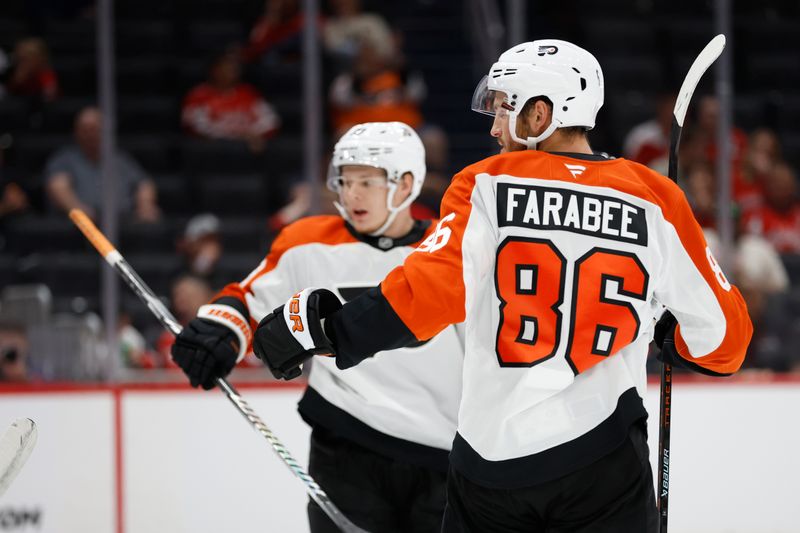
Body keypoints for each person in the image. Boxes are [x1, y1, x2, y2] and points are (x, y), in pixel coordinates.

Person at [253, 40, 754, 532]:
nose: (494, 128)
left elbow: (426, 295)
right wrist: (672, 337)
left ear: (540, 115)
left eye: (503, 110)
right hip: (607, 459)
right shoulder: (655, 197)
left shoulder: (486, 183)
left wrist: (328, 329)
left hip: (494, 465)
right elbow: (725, 341)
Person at [170, 122, 463, 532]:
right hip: (346, 448)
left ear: (406, 184)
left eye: (368, 181)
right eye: (345, 181)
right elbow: (251, 299)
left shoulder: (450, 250)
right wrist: (219, 332)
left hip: (443, 457)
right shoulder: (308, 242)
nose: (352, 194)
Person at [44, 106, 160, 222]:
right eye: (85, 130)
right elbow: (58, 187)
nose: (90, 135)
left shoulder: (119, 159)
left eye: (94, 129)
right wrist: (79, 210)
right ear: (76, 132)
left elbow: (144, 183)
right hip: (80, 228)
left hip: (122, 224)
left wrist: (145, 205)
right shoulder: (65, 159)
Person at [182, 50, 281, 152]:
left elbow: (270, 121)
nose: (232, 70)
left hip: (247, 149)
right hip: (214, 151)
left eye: (234, 67)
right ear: (214, 69)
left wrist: (254, 134)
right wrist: (235, 136)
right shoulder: (199, 95)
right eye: (227, 67)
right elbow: (195, 125)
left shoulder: (248, 92)